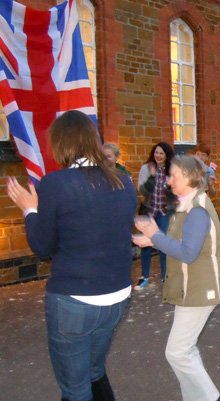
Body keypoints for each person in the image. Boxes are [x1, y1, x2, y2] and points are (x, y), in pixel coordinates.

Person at [7, 110, 137, 401]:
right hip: (117, 295)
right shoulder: (123, 181)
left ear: (62, 143)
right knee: (93, 372)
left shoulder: (57, 183)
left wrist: (30, 210)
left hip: (75, 300)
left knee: (75, 389)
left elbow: (42, 247)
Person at [133, 155, 220, 401]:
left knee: (177, 352)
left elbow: (188, 253)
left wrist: (154, 235)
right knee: (185, 350)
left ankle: (213, 398)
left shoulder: (196, 210)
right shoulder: (186, 204)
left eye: (173, 175)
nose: (168, 180)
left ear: (187, 176)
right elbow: (179, 243)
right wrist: (152, 238)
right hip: (191, 288)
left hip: (199, 290)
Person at [136, 142, 176, 290]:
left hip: (164, 213)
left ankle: (166, 277)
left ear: (166, 155)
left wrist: (169, 187)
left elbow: (175, 195)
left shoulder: (172, 171)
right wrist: (152, 177)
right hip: (149, 212)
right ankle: (144, 277)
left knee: (163, 246)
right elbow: (142, 191)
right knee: (146, 245)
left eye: (161, 153)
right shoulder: (146, 168)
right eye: (156, 152)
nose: (158, 156)